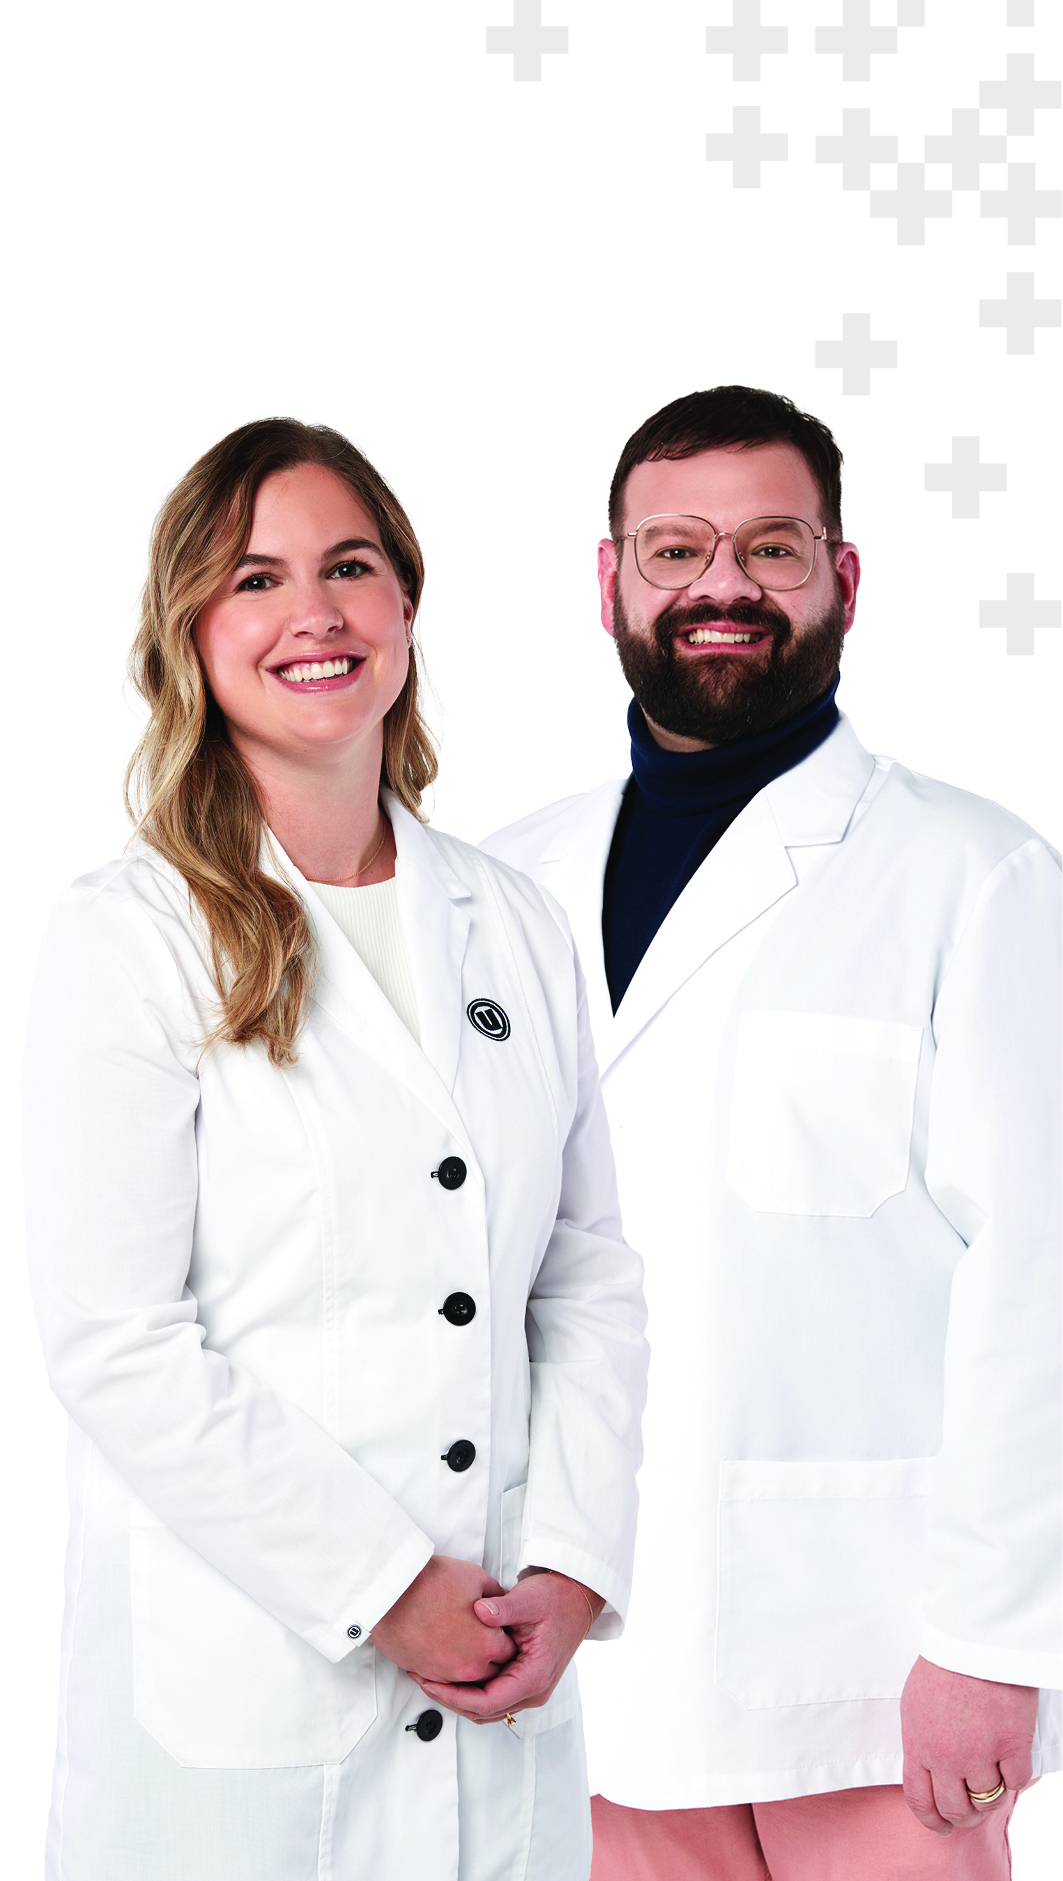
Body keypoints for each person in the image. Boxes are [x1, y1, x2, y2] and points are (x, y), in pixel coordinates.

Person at [21, 418, 648, 1881]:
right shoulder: (129, 937)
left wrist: (572, 1561)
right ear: (191, 632)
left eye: (350, 568)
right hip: (248, 1690)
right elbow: (116, 1343)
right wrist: (384, 1586)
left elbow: (583, 1273)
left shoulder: (513, 921)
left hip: (501, 1673)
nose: (315, 612)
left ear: (406, 607)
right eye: (257, 579)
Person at [483, 386, 1061, 1880]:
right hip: (571, 1655)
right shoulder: (498, 885)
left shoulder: (974, 877)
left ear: (841, 579)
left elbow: (1040, 1284)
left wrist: (994, 1644)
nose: (720, 585)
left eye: (771, 548)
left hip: (862, 1674)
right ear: (610, 582)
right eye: (675, 549)